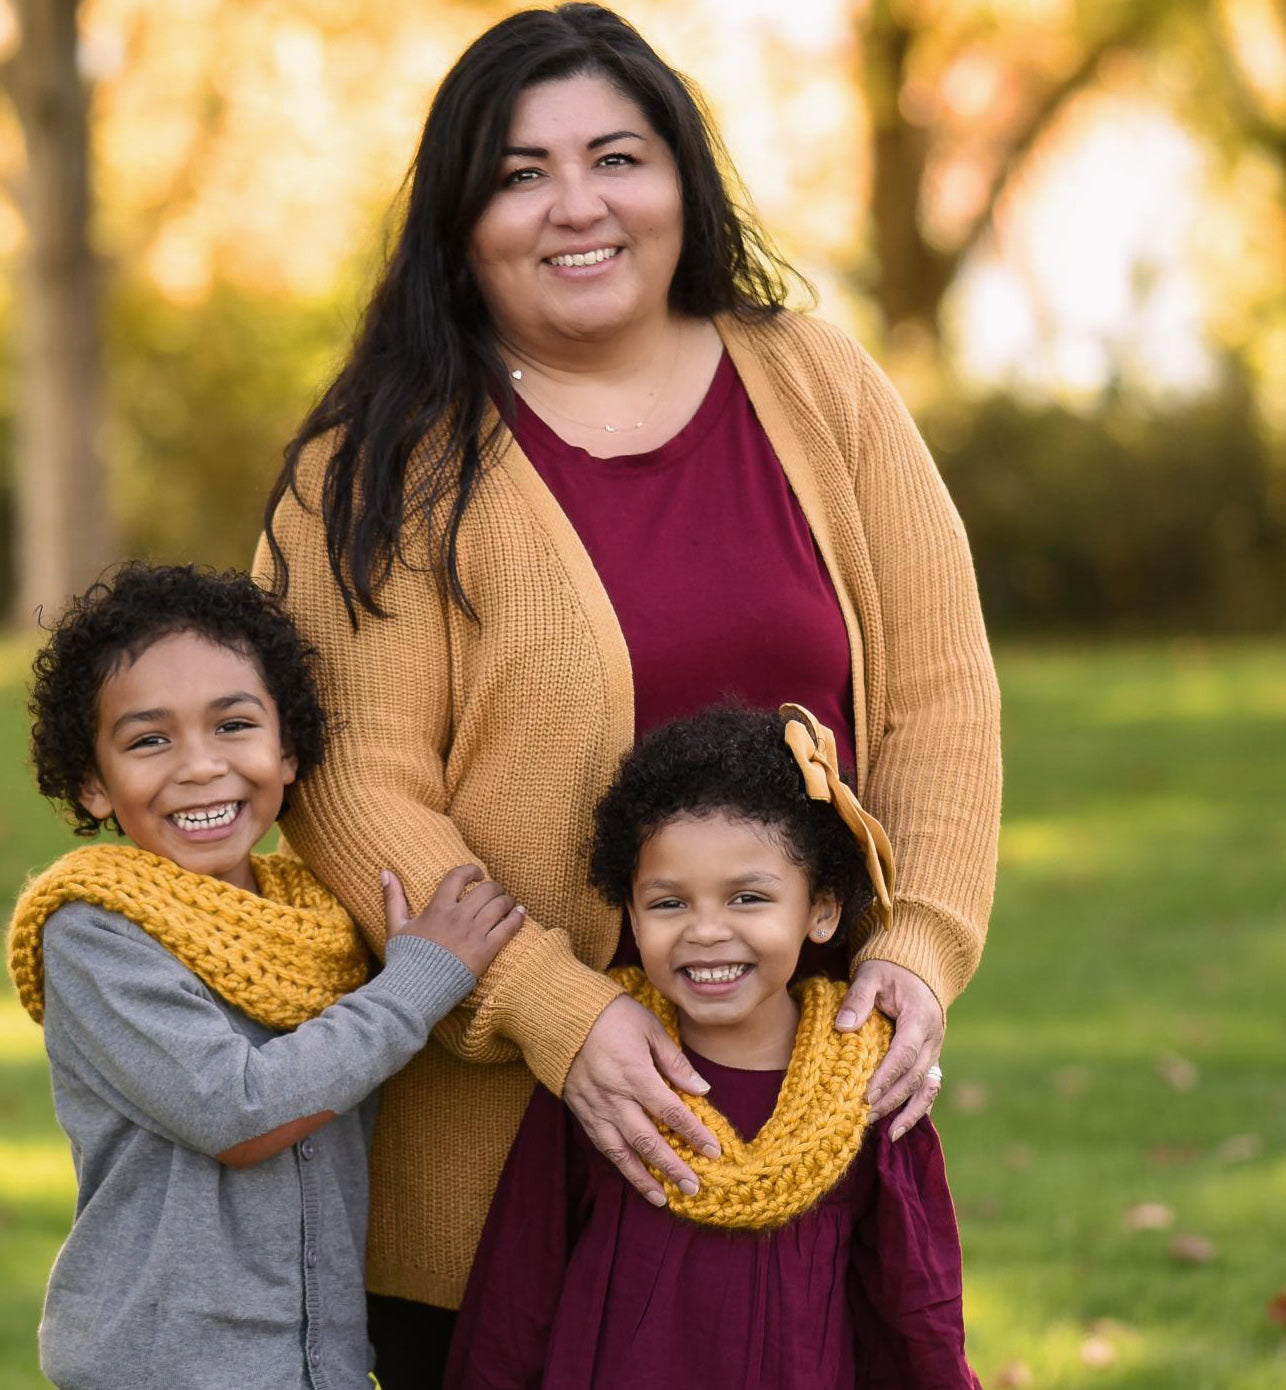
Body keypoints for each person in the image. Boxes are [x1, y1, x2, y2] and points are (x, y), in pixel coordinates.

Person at [257, 5, 1000, 1381]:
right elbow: (355, 783)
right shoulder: (375, 467)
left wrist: (915, 954)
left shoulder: (819, 386)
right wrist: (558, 1007)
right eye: (519, 173)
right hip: (486, 1172)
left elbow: (939, 700)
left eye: (617, 156)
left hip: (798, 1142)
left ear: (681, 182)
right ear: (458, 218)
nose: (576, 205)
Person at [6, 562, 523, 1389]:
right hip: (164, 1367)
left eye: (233, 726)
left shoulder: (320, 921)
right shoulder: (95, 933)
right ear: (92, 784)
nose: (200, 766)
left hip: (319, 1363)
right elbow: (239, 1112)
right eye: (149, 740)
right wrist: (415, 987)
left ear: (289, 752)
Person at [445, 703, 981, 1388]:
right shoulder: (606, 1074)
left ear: (821, 909)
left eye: (748, 899)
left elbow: (915, 1310)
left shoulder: (868, 1086)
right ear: (631, 914)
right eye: (669, 904)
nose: (704, 931)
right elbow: (517, 1295)